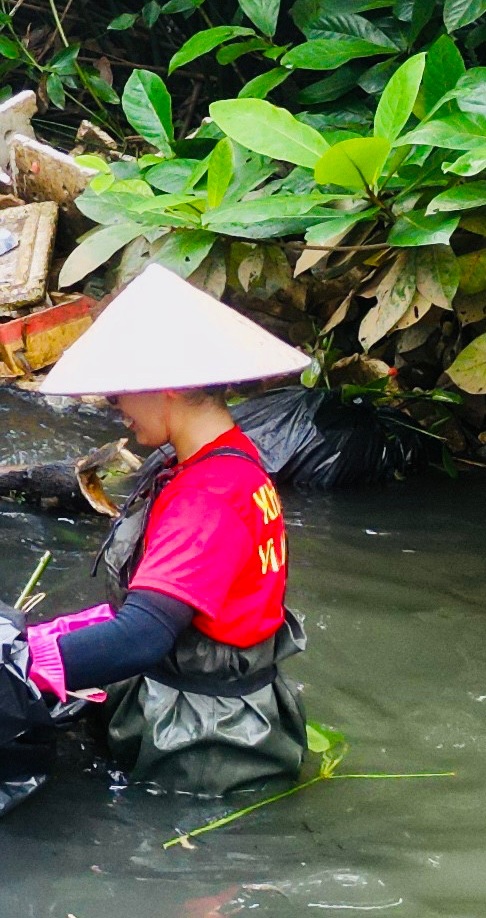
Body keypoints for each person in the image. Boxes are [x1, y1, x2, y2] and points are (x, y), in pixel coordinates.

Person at [17, 266, 312, 794]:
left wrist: (15, 663)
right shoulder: (232, 460)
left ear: (168, 386)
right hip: (236, 705)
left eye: (120, 393)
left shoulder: (206, 497)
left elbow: (141, 636)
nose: (115, 408)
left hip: (204, 743)